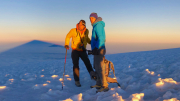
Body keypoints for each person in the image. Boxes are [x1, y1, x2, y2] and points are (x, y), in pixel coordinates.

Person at [64, 20, 96, 87]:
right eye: (79, 24)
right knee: (76, 66)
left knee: (88, 63)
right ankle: (77, 81)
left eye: (81, 25)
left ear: (84, 25)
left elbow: (86, 38)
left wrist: (92, 43)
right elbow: (68, 36)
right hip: (75, 50)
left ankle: (93, 76)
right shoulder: (73, 30)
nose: (80, 26)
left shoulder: (86, 31)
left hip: (83, 50)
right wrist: (66, 44)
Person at [89, 13, 109, 92]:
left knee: (100, 68)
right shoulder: (95, 26)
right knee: (96, 67)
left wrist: (97, 48)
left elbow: (101, 38)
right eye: (90, 18)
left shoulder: (98, 25)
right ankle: (98, 83)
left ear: (95, 18)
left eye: (92, 18)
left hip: (99, 49)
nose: (91, 19)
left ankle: (105, 85)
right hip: (96, 50)